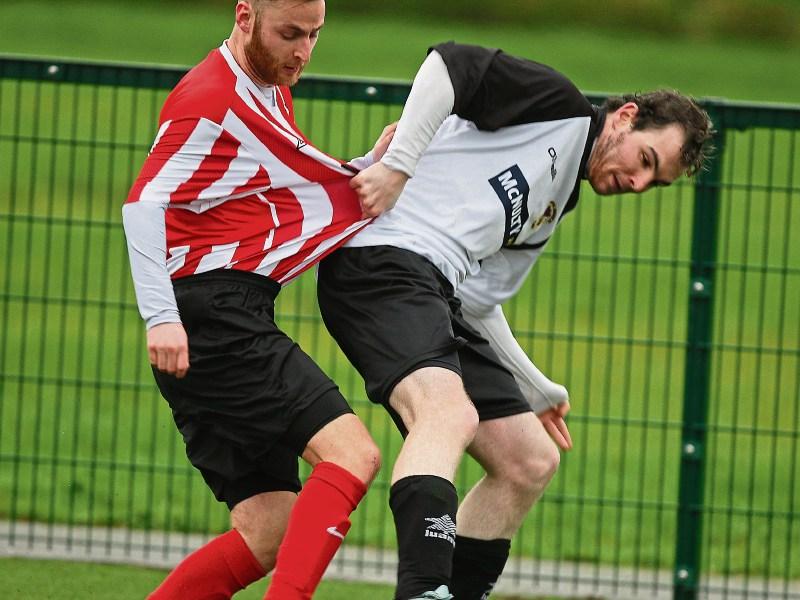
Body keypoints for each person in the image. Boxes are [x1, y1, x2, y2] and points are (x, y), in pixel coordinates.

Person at [316, 41, 715, 600]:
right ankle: (424, 590)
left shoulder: (558, 202)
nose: (640, 184)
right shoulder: (559, 105)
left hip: (435, 291)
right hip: (381, 263)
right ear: (626, 118)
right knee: (445, 413)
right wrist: (398, 168)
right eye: (646, 160)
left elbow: (478, 304)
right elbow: (447, 66)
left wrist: (536, 386)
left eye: (657, 183)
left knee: (529, 459)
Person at [122, 1, 397, 598]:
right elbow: (142, 205)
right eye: (289, 33)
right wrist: (161, 317)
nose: (302, 51)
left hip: (221, 316)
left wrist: (371, 168)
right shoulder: (211, 98)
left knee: (268, 532)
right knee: (353, 454)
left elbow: (266, 192)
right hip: (212, 318)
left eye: (315, 35)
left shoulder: (265, 86)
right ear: (245, 15)